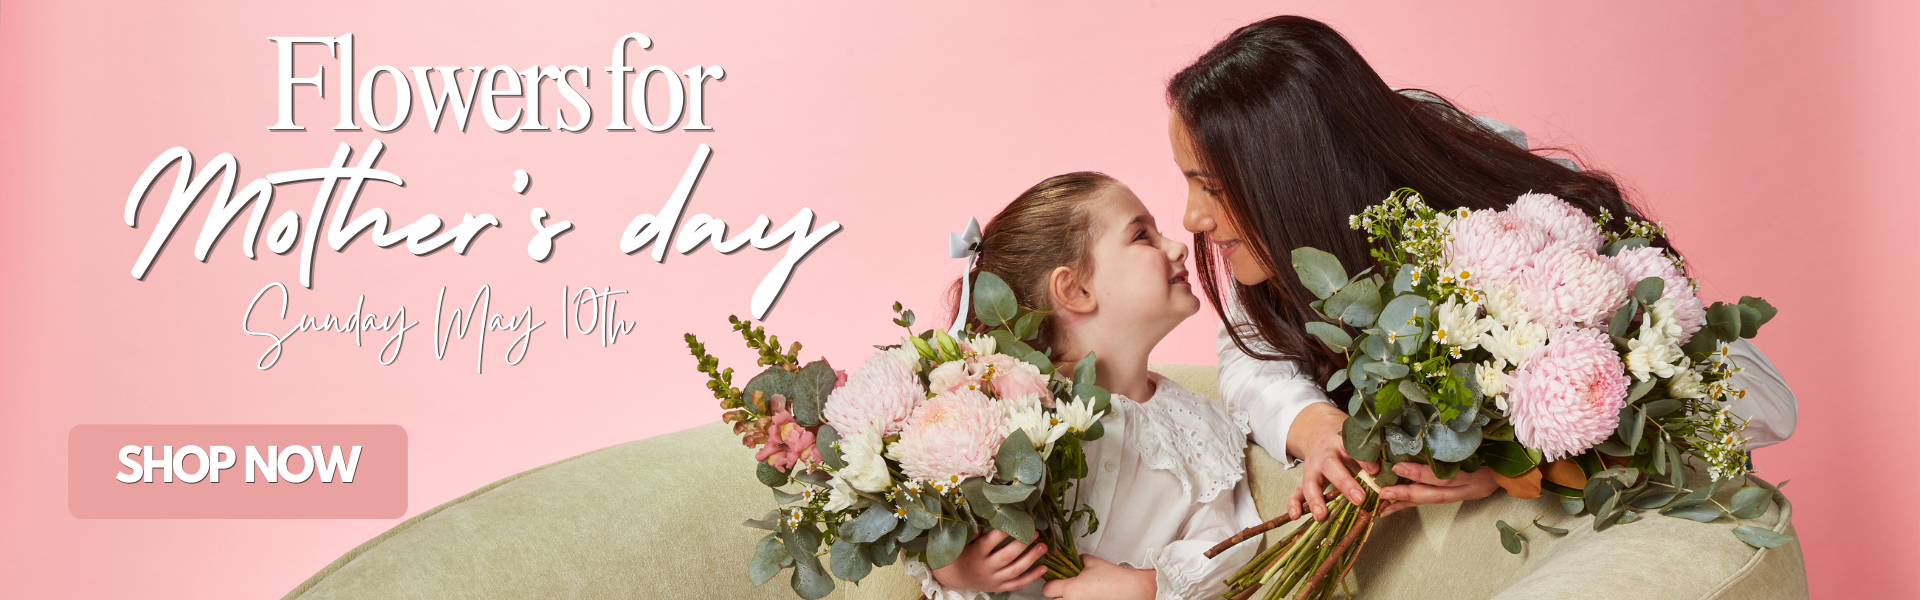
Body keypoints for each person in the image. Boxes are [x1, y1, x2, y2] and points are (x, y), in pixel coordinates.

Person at [1164, 15, 1797, 522]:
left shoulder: (1521, 234)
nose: (1192, 218)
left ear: (1296, 181)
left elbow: (1768, 405)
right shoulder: (1296, 256)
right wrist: (1316, 425)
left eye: (1212, 186)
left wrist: (1514, 457)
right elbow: (1249, 356)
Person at [903, 172, 1262, 600]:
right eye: (1142, 236)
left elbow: (1230, 553)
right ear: (1074, 289)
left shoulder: (1204, 428)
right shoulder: (997, 406)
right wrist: (955, 568)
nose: (1178, 246)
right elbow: (926, 513)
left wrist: (1144, 588)